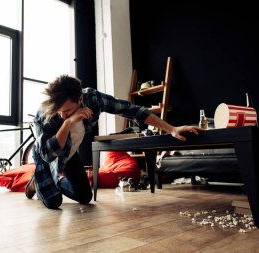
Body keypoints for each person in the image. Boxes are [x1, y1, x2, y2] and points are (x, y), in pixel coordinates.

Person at [25, 75, 201, 209]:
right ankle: (36, 184)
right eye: (60, 111)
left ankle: (54, 183)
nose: (62, 114)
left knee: (85, 198)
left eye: (68, 110)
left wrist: (172, 129)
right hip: (46, 155)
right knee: (54, 203)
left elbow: (134, 110)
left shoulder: (93, 99)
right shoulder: (47, 113)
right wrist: (68, 122)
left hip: (69, 155)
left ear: (80, 99)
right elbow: (48, 155)